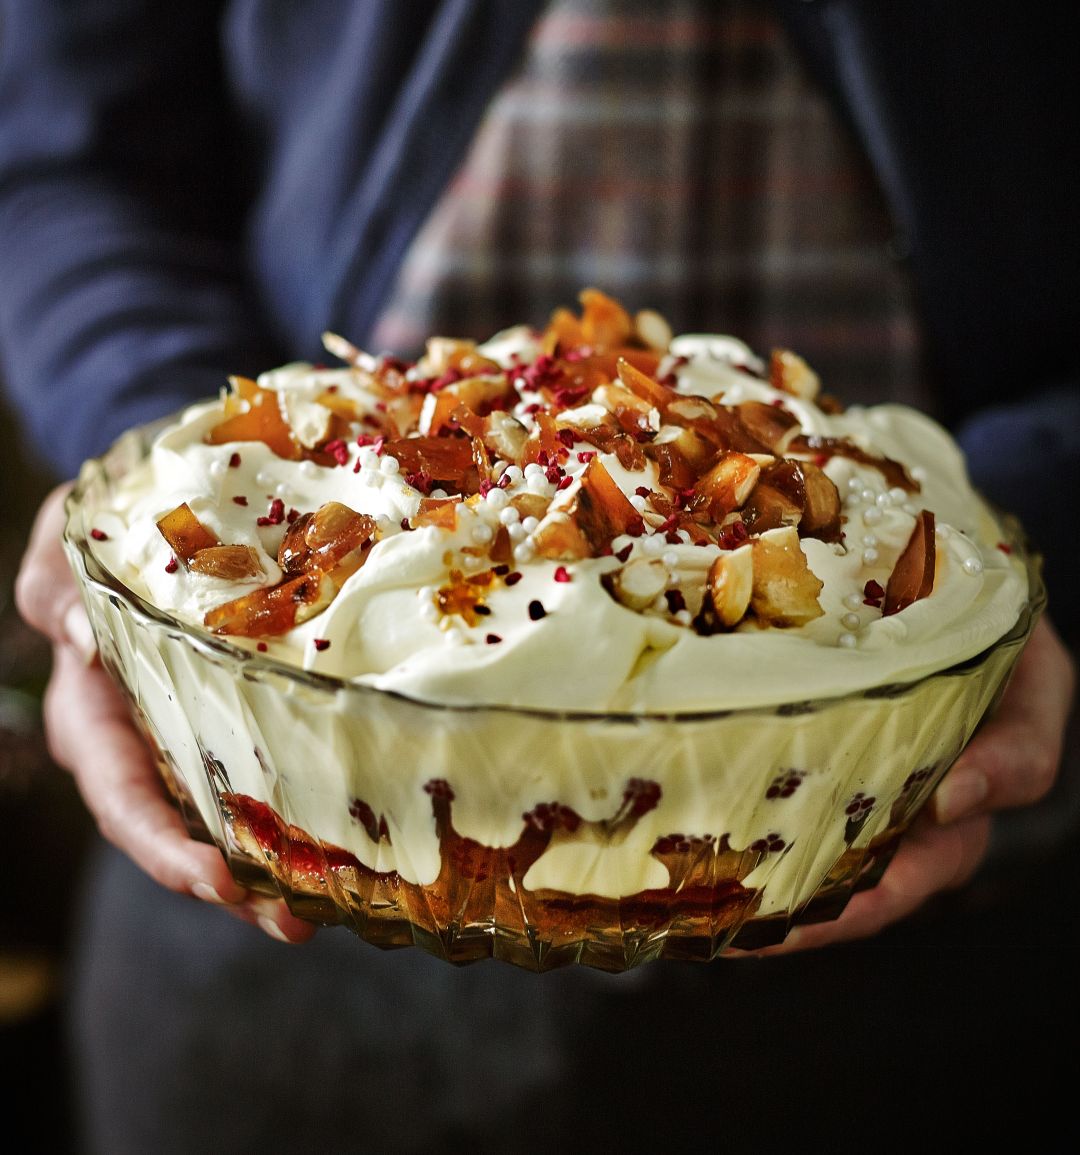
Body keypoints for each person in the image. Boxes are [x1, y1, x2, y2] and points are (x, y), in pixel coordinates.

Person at [2, 1, 1077, 1150]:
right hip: (267, 890)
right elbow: (67, 157)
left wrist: (1054, 507)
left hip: (950, 939)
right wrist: (158, 470)